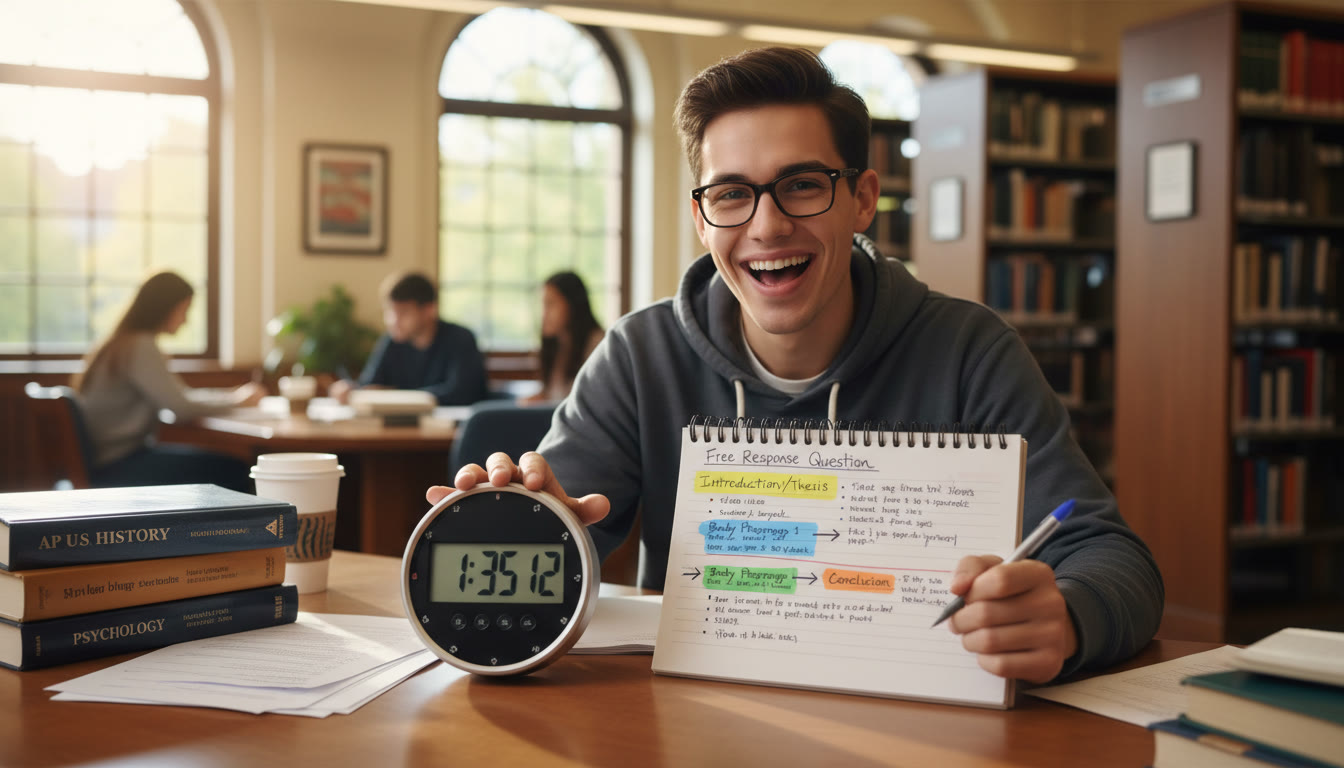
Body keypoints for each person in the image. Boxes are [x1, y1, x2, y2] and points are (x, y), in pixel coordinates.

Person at [433, 47, 1164, 684]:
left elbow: (1112, 557)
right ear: (702, 218)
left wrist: (1067, 618)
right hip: (694, 720)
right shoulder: (639, 357)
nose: (767, 223)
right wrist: (528, 523)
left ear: (862, 199)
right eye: (731, 194)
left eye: (803, 185)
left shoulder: (970, 352)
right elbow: (555, 535)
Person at [74, 271, 265, 492]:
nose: (185, 319)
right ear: (165, 308)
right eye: (184, 310)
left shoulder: (122, 343)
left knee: (226, 466)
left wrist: (231, 396)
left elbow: (179, 397)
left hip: (108, 461)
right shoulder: (140, 347)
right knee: (236, 470)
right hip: (119, 464)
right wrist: (237, 401)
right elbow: (180, 407)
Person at [329, 271, 487, 406]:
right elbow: (370, 386)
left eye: (403, 312)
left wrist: (394, 396)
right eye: (390, 312)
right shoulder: (390, 342)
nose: (393, 321)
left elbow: (461, 393)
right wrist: (351, 390)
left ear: (429, 309)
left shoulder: (460, 339)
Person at [520, 271, 604, 404]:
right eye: (543, 305)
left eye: (550, 304)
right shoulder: (559, 344)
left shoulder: (599, 346)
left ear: (572, 305)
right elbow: (554, 396)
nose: (544, 314)